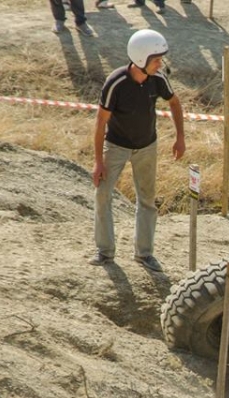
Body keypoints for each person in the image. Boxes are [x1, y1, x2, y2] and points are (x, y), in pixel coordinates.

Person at [90, 29, 186, 271]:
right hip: (116, 146)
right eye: (156, 60)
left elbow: (175, 103)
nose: (160, 64)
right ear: (142, 58)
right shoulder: (116, 83)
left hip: (147, 147)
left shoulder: (158, 78)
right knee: (102, 195)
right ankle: (104, 252)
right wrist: (98, 161)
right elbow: (100, 122)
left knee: (147, 200)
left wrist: (180, 137)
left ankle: (144, 254)